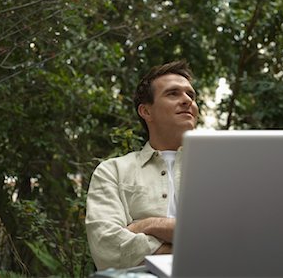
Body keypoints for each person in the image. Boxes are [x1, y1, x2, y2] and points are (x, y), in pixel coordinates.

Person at [85, 60, 199, 270]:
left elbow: (236, 236)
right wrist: (196, 249)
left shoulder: (218, 169)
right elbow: (107, 247)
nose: (186, 101)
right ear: (146, 112)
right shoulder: (113, 172)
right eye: (173, 93)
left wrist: (149, 225)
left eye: (190, 95)